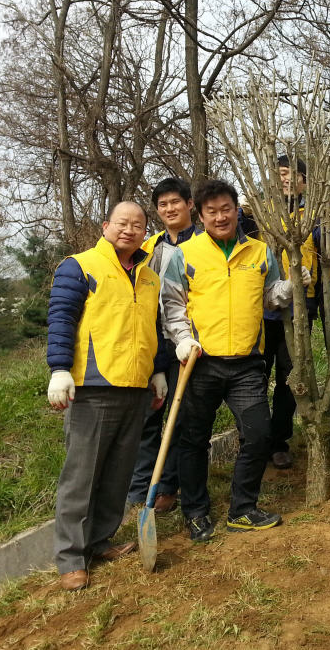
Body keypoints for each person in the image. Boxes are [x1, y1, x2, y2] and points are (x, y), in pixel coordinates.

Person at [161, 179, 297, 542]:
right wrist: (183, 339)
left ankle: (243, 509)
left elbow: (270, 298)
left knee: (258, 435)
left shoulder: (259, 252)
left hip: (247, 363)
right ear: (200, 215)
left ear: (237, 210)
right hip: (200, 361)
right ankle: (195, 512)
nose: (220, 217)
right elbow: (172, 304)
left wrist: (289, 287)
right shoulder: (183, 255)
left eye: (227, 209)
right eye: (212, 211)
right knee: (193, 439)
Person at [47, 201, 167, 591]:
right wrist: (60, 368)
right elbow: (62, 317)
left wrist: (159, 371)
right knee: (81, 477)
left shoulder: (149, 277)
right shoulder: (80, 266)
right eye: (122, 223)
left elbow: (154, 327)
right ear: (106, 226)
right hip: (94, 386)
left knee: (118, 473)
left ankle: (100, 542)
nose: (129, 230)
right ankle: (71, 558)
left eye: (137, 225)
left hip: (135, 387)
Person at [127, 178, 198, 515]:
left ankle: (168, 486)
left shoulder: (203, 242)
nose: (170, 209)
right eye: (163, 204)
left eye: (176, 202)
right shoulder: (150, 246)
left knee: (178, 416)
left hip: (187, 340)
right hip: (152, 341)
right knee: (148, 416)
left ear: (189, 204)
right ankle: (140, 489)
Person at [264, 155, 320, 470]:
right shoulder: (260, 212)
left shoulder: (313, 214)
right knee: (255, 378)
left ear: (304, 181)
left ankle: (279, 442)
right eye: (280, 174)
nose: (286, 179)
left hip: (299, 306)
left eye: (292, 174)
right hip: (259, 308)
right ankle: (254, 439)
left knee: (289, 377)